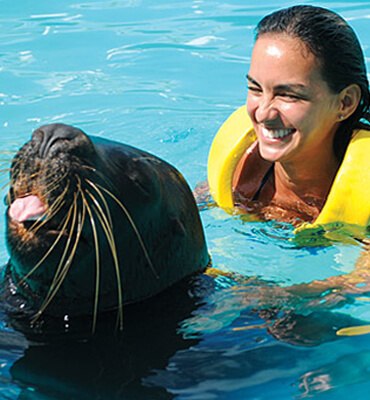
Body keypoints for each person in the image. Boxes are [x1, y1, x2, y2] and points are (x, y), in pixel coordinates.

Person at [207, 5, 370, 225]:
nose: (263, 113)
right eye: (255, 89)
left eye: (287, 95)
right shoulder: (239, 178)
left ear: (345, 102)